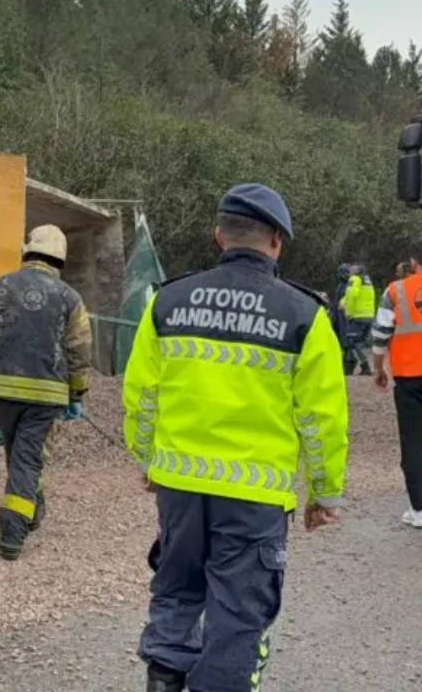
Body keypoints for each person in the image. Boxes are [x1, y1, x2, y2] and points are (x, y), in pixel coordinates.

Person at [123, 183, 348, 692]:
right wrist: (324, 491)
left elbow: (141, 396)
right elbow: (321, 417)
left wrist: (148, 460)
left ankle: (163, 681)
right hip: (253, 494)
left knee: (177, 589)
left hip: (178, 484)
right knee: (238, 614)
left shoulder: (168, 301)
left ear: (219, 236)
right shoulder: (304, 315)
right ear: (277, 243)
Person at [0, 224, 92, 561]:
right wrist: (77, 395)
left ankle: (32, 507)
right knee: (28, 457)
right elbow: (80, 349)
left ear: (27, 252)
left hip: (1, 390)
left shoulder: (0, 287)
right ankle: (12, 531)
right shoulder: (70, 298)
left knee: (18, 452)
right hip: (47, 395)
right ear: (59, 260)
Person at [371, 242, 422, 527]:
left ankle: (419, 509)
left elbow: (380, 336)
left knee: (414, 442)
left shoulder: (396, 291)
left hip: (410, 376)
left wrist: (378, 370)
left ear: (414, 262)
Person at [339, 263, 376, 375]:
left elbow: (351, 295)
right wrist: (342, 302)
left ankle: (365, 366)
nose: (350, 268)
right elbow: (360, 296)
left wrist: (348, 312)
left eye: (353, 268)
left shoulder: (354, 279)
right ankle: (348, 369)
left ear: (357, 271)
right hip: (368, 316)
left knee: (353, 342)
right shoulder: (366, 280)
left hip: (358, 316)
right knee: (359, 343)